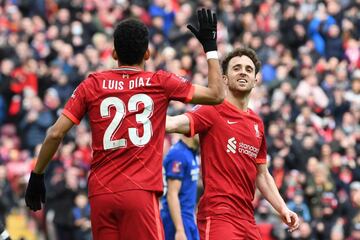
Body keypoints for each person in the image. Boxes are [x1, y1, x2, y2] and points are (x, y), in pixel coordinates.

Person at [24, 9, 225, 240]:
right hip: (140, 192)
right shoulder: (159, 82)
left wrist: (37, 175)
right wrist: (210, 47)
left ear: (114, 52)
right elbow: (216, 94)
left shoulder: (92, 84)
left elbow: (55, 134)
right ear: (147, 54)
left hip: (101, 194)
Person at [166, 47, 300, 239]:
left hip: (247, 218)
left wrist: (282, 208)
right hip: (219, 215)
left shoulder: (257, 123)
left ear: (256, 79)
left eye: (248, 69)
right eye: (236, 68)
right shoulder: (212, 110)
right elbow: (174, 123)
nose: (243, 71)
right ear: (225, 79)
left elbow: (261, 174)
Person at [161, 135, 200, 240]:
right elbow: (172, 194)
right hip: (176, 221)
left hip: (188, 219)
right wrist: (179, 230)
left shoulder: (191, 153)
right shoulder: (178, 154)